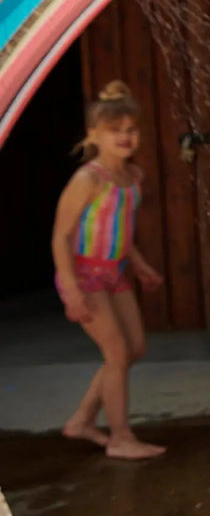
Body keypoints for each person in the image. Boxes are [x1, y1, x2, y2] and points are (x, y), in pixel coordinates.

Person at [51, 80, 166, 460]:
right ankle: (120, 438)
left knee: (134, 348)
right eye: (115, 131)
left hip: (114, 273)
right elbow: (61, 236)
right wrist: (71, 290)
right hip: (84, 276)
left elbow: (120, 232)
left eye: (131, 130)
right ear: (93, 135)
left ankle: (82, 420)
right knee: (116, 354)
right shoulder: (88, 179)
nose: (126, 137)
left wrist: (141, 265)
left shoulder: (133, 178)